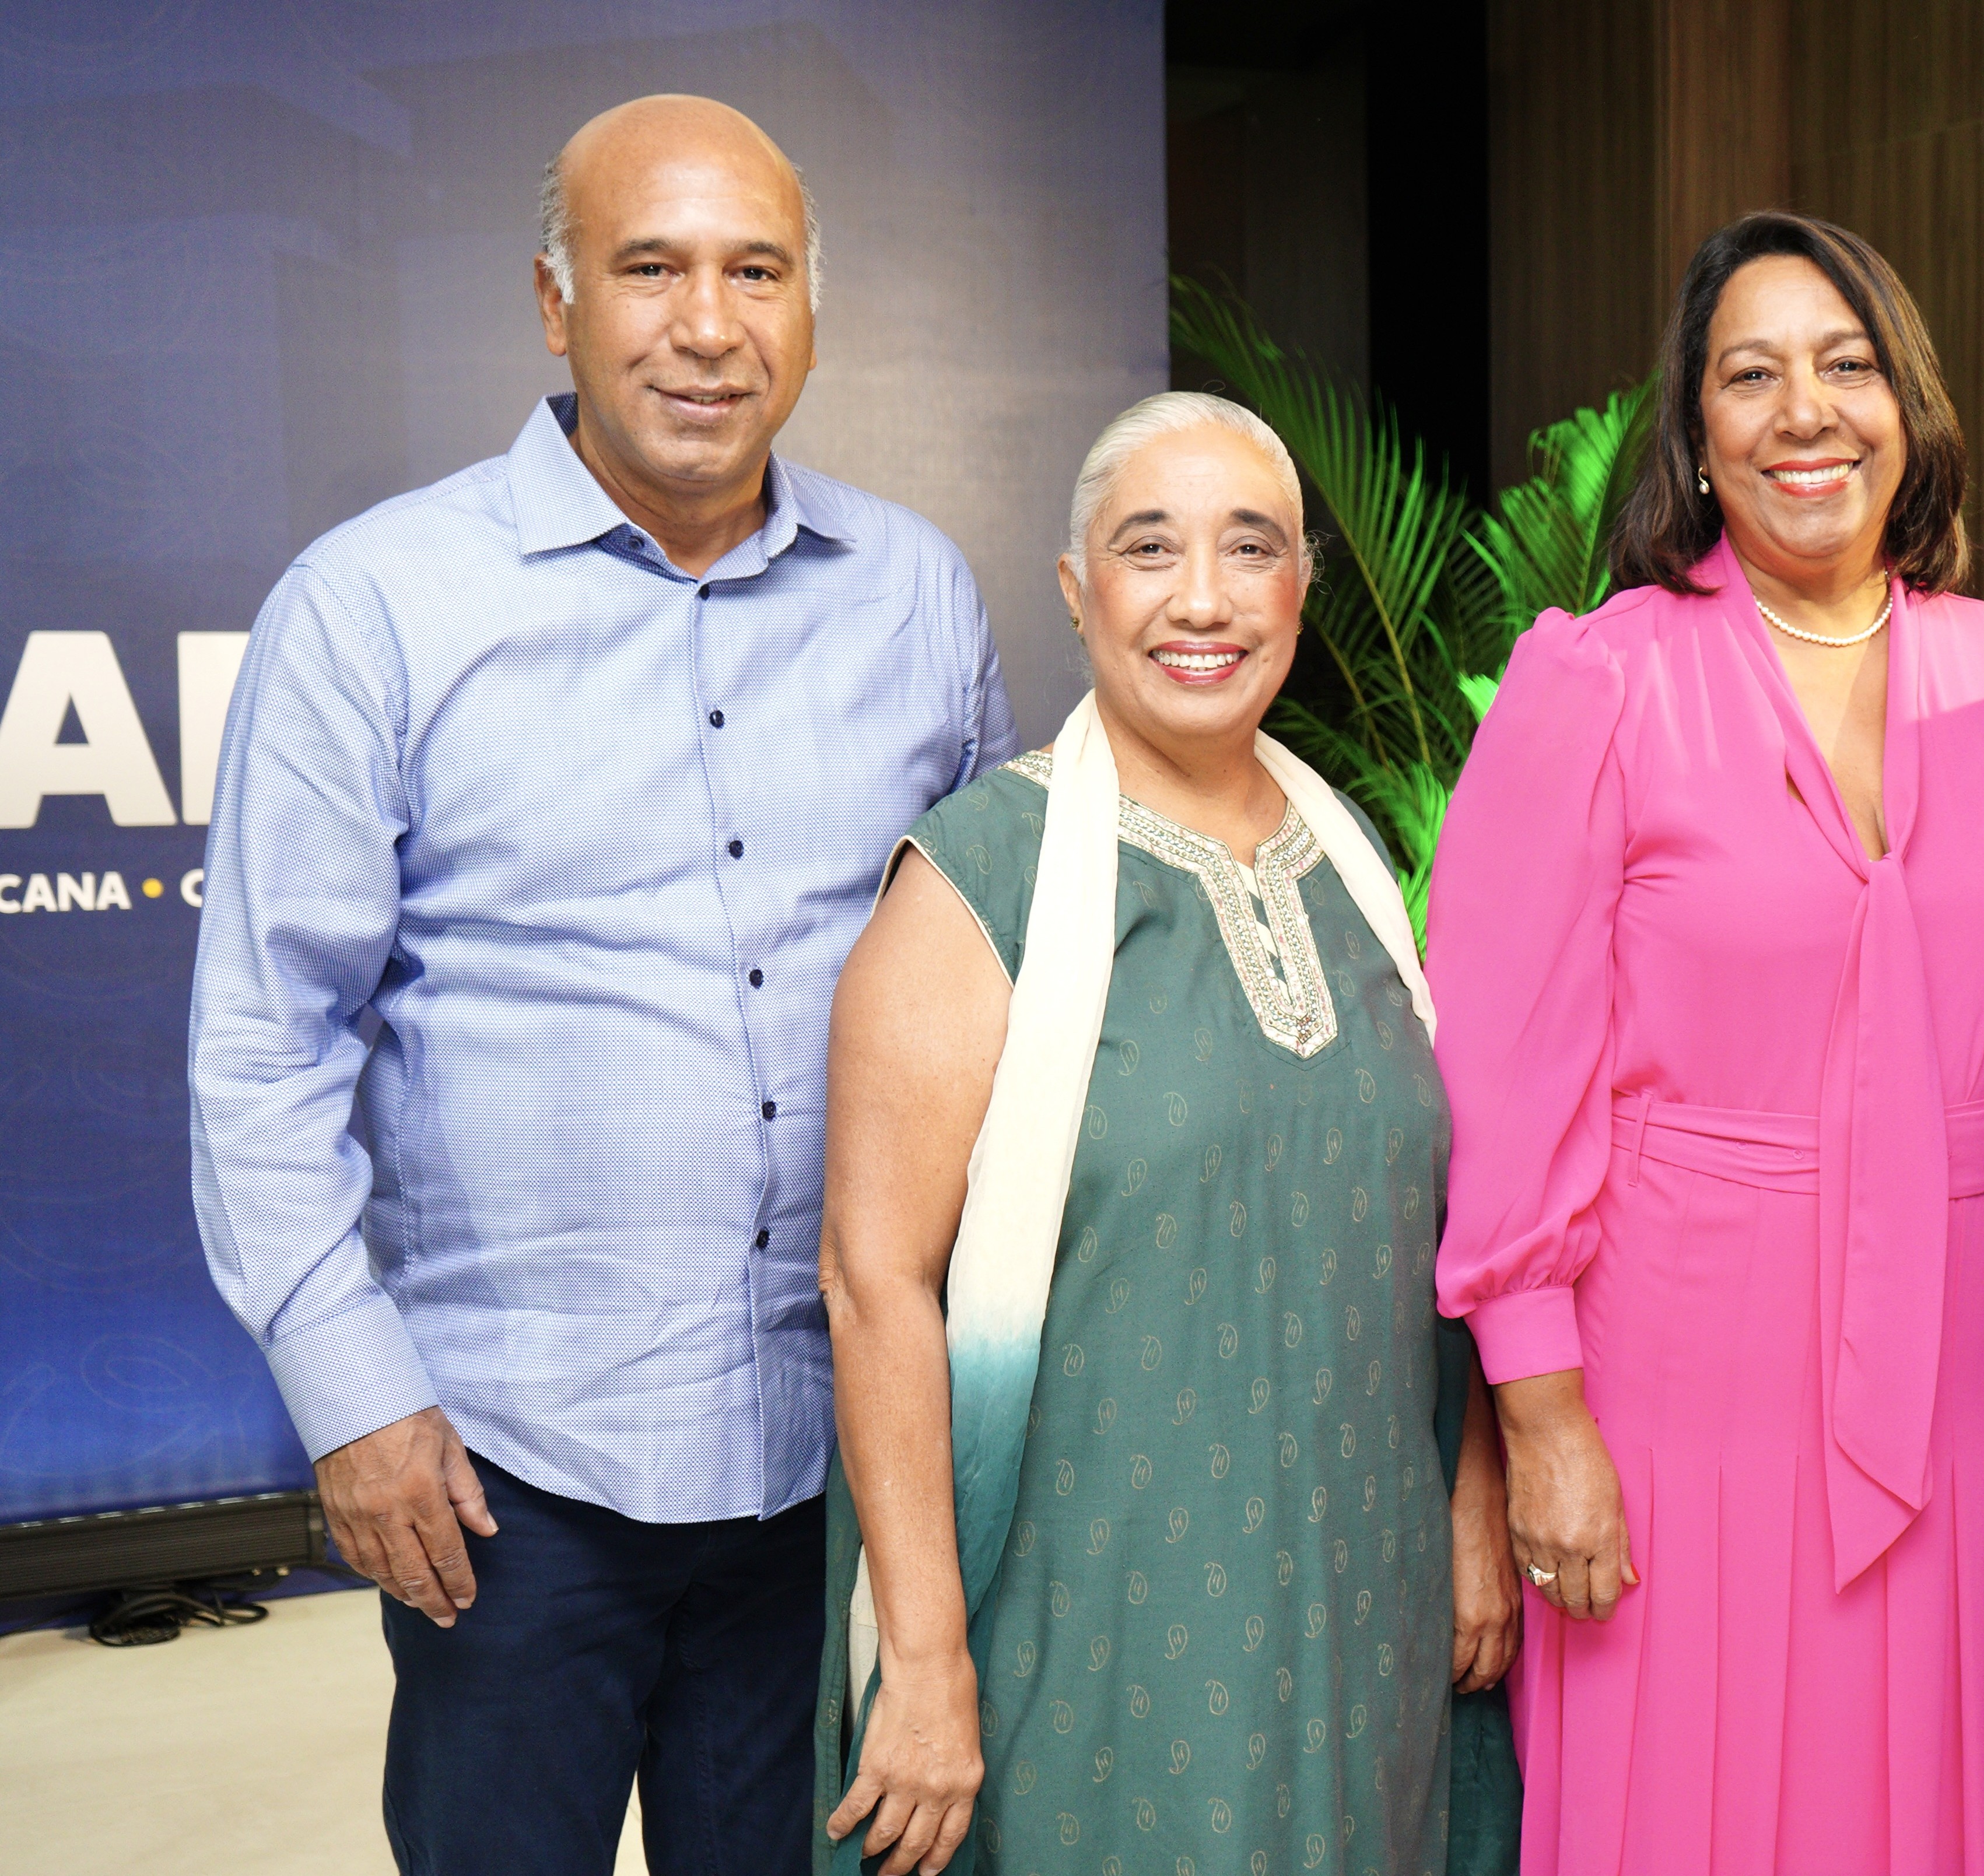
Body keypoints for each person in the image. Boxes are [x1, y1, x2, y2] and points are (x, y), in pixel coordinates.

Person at [188, 95, 1016, 1874]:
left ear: (811, 311)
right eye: (651, 269)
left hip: (828, 1472)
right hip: (503, 1474)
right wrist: (355, 1400)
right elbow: (262, 1048)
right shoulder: (373, 607)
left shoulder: (918, 601)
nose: (708, 325)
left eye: (756, 272)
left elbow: (987, 1006)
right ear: (554, 305)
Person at [1428, 212, 1984, 1875]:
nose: (1805, 412)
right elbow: (1501, 1077)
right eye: (1750, 374)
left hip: (1963, 1383)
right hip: (1672, 1397)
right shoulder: (1597, 682)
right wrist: (1540, 1422)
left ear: (1906, 404)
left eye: (1846, 365)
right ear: (1695, 428)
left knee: (1931, 1799)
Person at [814, 391, 1520, 1876]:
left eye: (1250, 547)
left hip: (1363, 1603)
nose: (1204, 598)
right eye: (1150, 548)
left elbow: (1432, 1235)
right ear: (1078, 590)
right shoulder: (977, 880)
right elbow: (876, 1283)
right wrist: (926, 1659)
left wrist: (1471, 1501)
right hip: (1091, 1630)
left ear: (1301, 588)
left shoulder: (1354, 863)